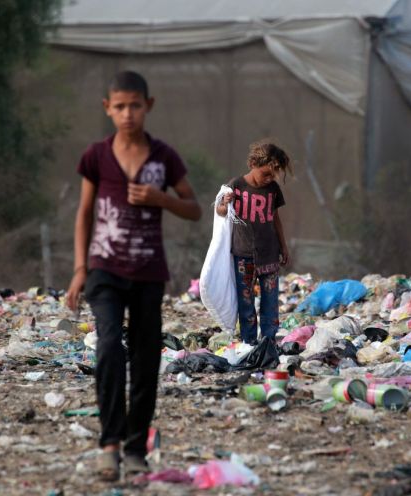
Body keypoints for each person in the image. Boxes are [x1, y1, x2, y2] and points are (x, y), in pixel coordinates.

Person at [66, 70, 201, 481]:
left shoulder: (164, 157)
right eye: (119, 106)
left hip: (147, 272)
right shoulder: (96, 156)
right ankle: (109, 444)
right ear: (107, 109)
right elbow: (85, 213)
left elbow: (194, 207)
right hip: (104, 269)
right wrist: (79, 270)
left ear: (149, 106)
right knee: (108, 347)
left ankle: (136, 448)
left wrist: (161, 199)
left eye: (135, 106)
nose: (127, 114)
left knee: (145, 359)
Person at [216, 140, 292, 344]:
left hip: (269, 253)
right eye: (265, 174)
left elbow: (275, 217)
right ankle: (249, 343)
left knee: (270, 301)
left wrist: (283, 246)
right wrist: (225, 203)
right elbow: (221, 211)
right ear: (252, 164)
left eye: (272, 175)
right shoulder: (236, 186)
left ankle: (268, 341)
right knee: (246, 301)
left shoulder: (273, 189)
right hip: (243, 254)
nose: (269, 178)